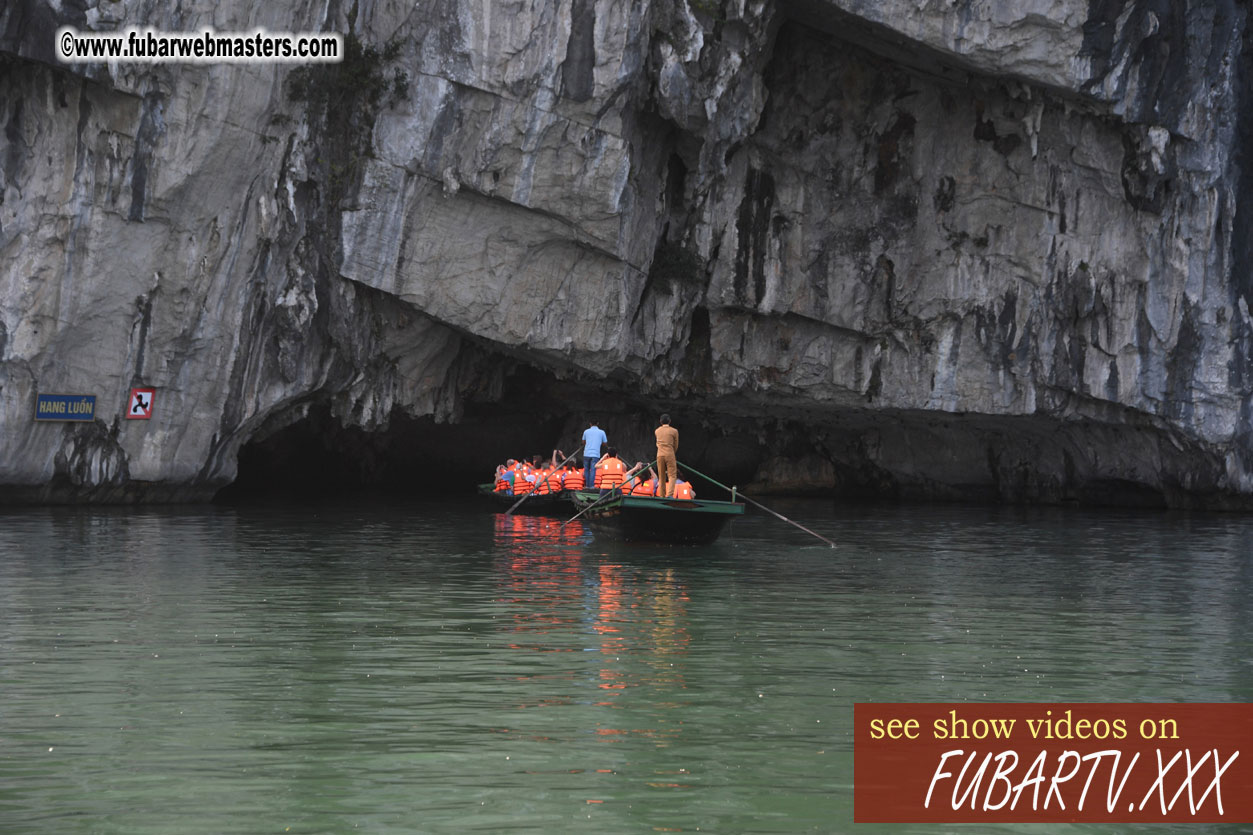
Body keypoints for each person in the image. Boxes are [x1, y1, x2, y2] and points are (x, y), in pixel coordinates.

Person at [654, 413, 679, 498]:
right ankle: (670, 494)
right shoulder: (674, 431)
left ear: (660, 421)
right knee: (672, 475)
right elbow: (676, 445)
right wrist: (672, 452)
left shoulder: (657, 431)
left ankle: (662, 495)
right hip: (670, 454)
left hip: (660, 454)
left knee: (661, 476)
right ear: (670, 421)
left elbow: (657, 443)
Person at [581, 419, 608, 489]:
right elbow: (605, 443)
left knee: (586, 469)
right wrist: (599, 442)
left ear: (590, 423)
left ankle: (587, 486)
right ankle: (592, 486)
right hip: (595, 454)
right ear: (598, 423)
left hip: (586, 453)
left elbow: (583, 442)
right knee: (593, 470)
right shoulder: (602, 432)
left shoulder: (586, 431)